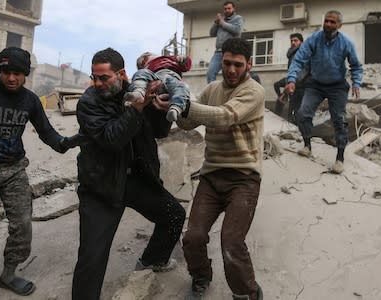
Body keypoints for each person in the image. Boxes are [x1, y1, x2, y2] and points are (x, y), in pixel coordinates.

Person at [0, 47, 75, 300]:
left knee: (22, 225)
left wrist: (64, 143)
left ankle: (8, 274)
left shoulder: (30, 100)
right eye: (6, 72)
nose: (11, 78)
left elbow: (46, 131)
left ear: (25, 75)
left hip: (14, 170)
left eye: (17, 73)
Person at [71, 47, 186, 300]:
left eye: (104, 77)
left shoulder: (139, 91)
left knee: (174, 215)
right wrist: (135, 109)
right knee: (92, 256)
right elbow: (111, 139)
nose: (98, 83)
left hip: (136, 179)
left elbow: (159, 132)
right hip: (101, 186)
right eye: (95, 77)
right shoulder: (88, 103)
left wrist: (160, 108)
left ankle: (152, 260)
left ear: (121, 74)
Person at [174, 37, 265, 300]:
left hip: (244, 179)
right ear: (221, 61)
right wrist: (171, 106)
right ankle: (201, 275)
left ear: (249, 64)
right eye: (227, 63)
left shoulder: (254, 91)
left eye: (238, 64)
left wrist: (188, 105)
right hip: (212, 176)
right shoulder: (212, 88)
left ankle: (247, 292)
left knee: (231, 243)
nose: (232, 70)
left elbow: (225, 116)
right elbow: (187, 124)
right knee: (193, 238)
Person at [285, 10, 363, 174]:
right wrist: (291, 79)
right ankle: (307, 146)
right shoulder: (314, 39)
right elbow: (298, 60)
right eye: (326, 21)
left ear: (339, 25)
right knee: (303, 113)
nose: (328, 24)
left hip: (337, 86)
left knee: (339, 120)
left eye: (332, 22)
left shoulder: (346, 43)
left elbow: (356, 65)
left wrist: (356, 83)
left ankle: (340, 158)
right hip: (315, 84)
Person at [124, 51, 192, 122]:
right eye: (143, 61)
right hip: (155, 77)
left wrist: (183, 59)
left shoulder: (171, 59)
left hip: (172, 77)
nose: (145, 58)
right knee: (140, 74)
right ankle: (138, 92)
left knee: (181, 87)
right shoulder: (147, 68)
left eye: (146, 56)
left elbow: (186, 66)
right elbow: (143, 78)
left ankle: (176, 108)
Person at [206, 1, 244, 83]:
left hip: (232, 52)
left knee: (229, 75)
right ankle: (212, 93)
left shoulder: (238, 18)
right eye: (225, 9)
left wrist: (222, 23)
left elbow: (237, 31)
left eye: (229, 8)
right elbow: (212, 34)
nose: (227, 10)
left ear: (233, 9)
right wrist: (216, 23)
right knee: (210, 73)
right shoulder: (220, 20)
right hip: (219, 52)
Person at [273, 33, 307, 123]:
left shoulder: (303, 52)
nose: (293, 42)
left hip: (301, 84)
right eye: (291, 41)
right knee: (291, 108)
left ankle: (300, 130)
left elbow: (304, 70)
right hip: (292, 82)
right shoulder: (292, 53)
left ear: (301, 42)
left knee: (298, 110)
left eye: (295, 40)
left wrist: (295, 81)